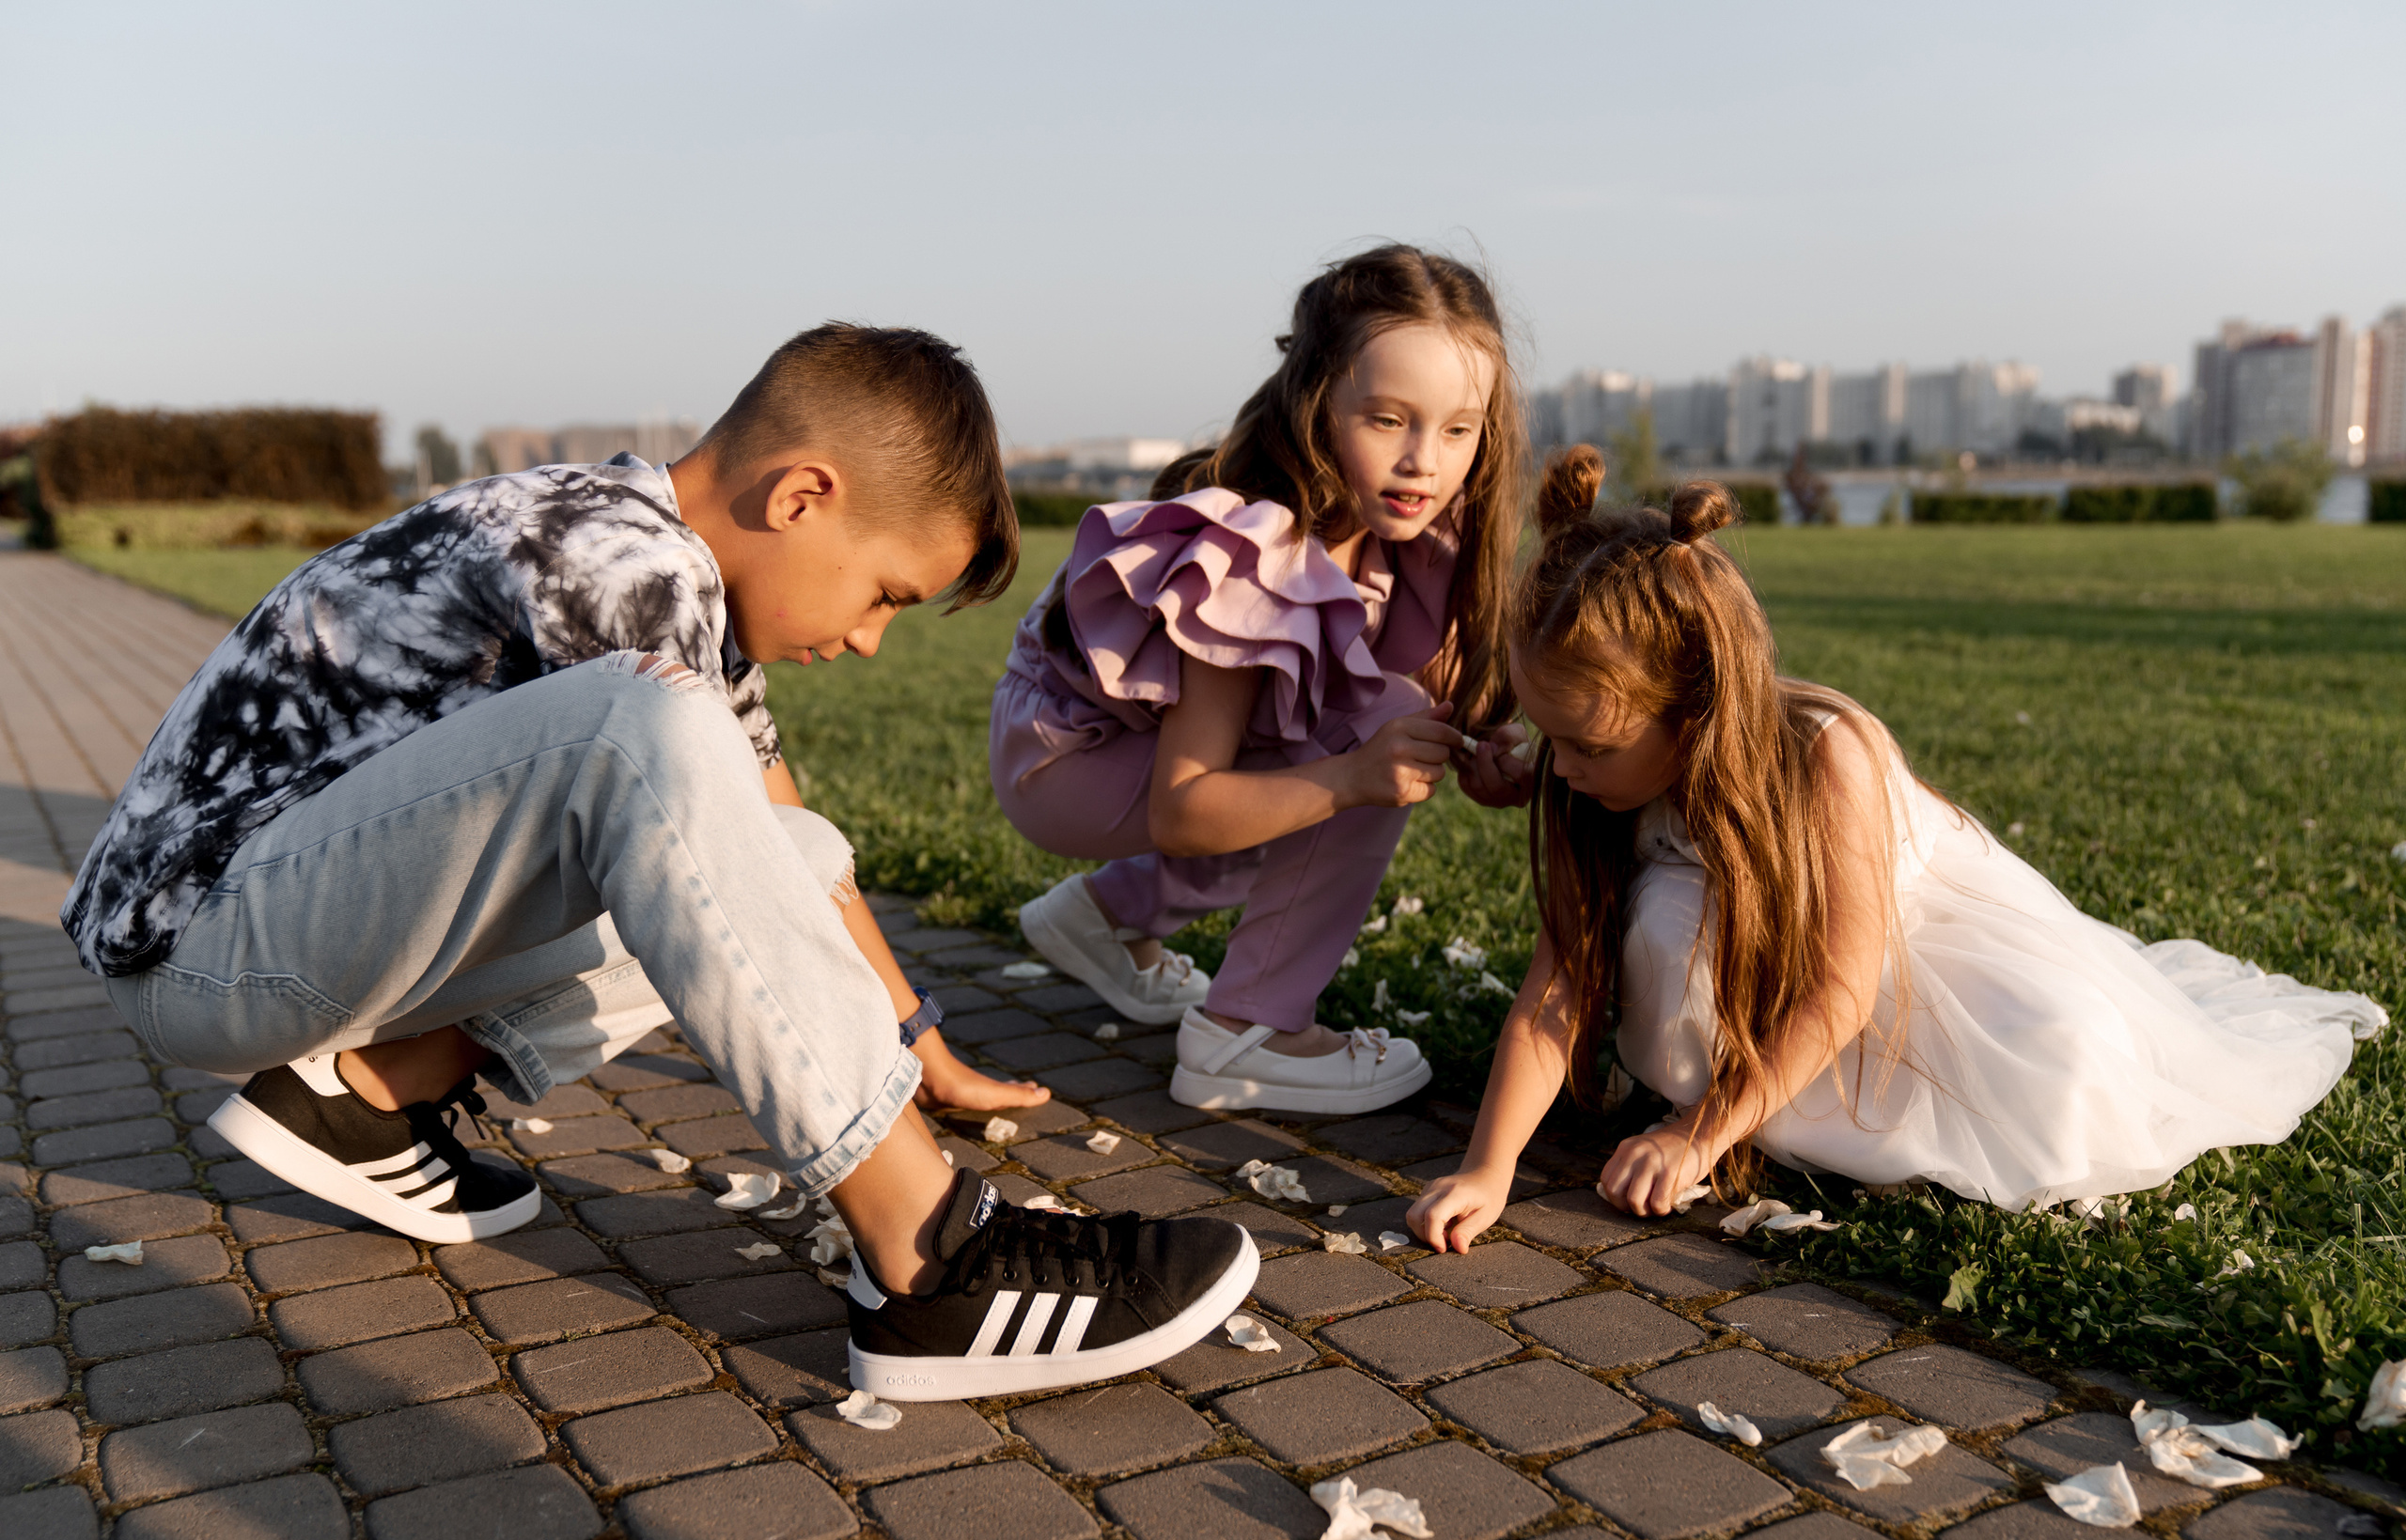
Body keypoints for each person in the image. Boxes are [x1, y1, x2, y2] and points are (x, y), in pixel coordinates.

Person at [64, 324, 1256, 1399]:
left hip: (275, 929)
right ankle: (930, 1253)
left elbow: (779, 844)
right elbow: (685, 812)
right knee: (643, 732)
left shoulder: (653, 554)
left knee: (790, 843)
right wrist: (889, 1110)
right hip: (207, 947)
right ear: (801, 497)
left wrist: (919, 1041)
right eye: (885, 594)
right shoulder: (623, 562)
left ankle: (368, 1098)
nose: (867, 642)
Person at [1410, 446, 2388, 1247]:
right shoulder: (1592, 776)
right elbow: (1558, 984)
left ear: (1696, 709)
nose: (1560, 766)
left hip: (1907, 951)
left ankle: (1759, 1102)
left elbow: (1841, 984)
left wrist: (1696, 1134)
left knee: (2066, 1079)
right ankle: (1753, 1093)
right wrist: (1488, 1170)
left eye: (1587, 743)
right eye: (1551, 736)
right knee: (1671, 920)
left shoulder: (1826, 756)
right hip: (1762, 960)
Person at [990, 245, 1538, 1115]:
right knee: (1360, 735)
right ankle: (1249, 1033)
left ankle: (1105, 916)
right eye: (1390, 420)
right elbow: (1185, 806)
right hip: (1066, 752)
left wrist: (1480, 752)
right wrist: (1354, 776)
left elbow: (1435, 703)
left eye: (1459, 429)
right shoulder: (1261, 554)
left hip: (1120, 749)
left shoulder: (1419, 539)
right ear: (1320, 403)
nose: (1424, 463)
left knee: (1373, 725)